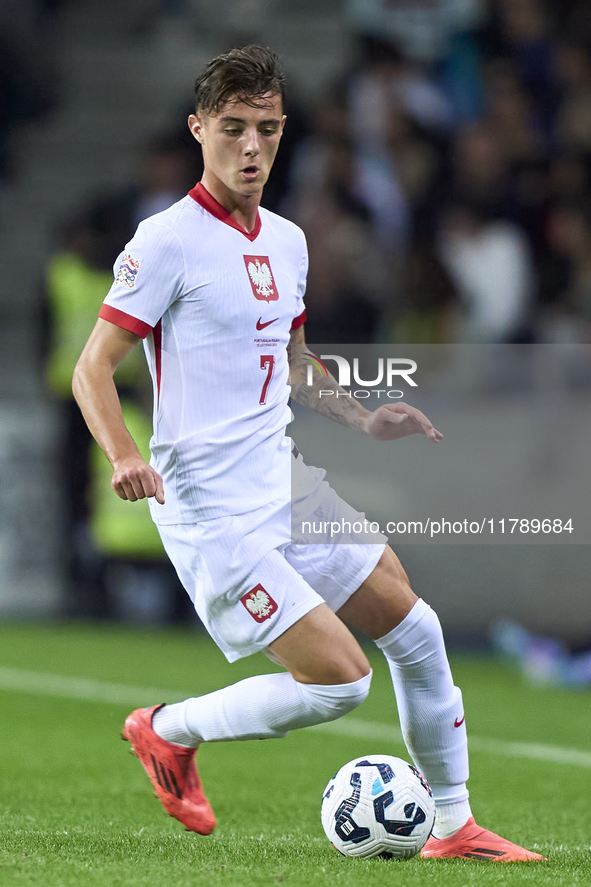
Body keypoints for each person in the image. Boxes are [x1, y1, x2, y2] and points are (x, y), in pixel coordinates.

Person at [72, 45, 545, 862]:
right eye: (232, 129)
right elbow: (92, 369)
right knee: (340, 681)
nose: (251, 147)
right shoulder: (167, 241)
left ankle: (452, 825)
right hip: (212, 507)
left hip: (283, 483)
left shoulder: (287, 240)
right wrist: (122, 453)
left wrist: (362, 418)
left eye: (267, 129)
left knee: (417, 628)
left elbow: (292, 361)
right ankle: (165, 730)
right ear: (199, 130)